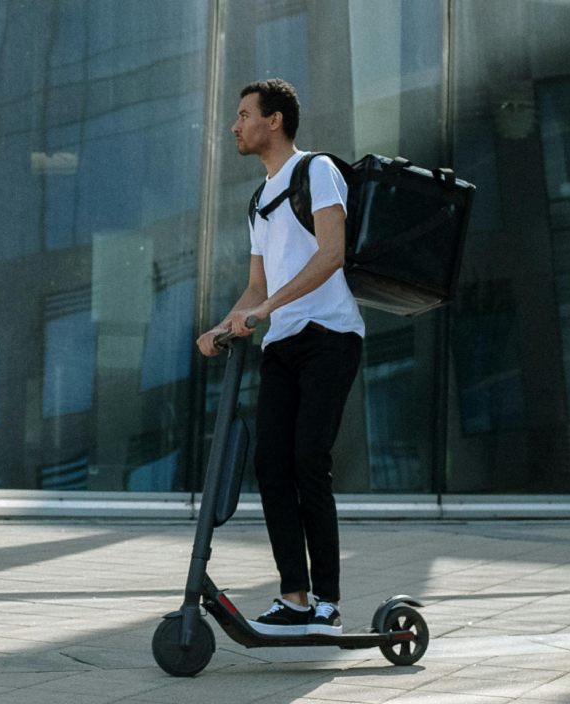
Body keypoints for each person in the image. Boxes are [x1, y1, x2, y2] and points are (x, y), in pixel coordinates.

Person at [196, 78, 364, 637]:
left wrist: (265, 308)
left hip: (330, 337)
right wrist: (222, 327)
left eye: (244, 114)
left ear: (274, 120)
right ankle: (294, 596)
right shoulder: (258, 200)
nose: (234, 124)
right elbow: (255, 286)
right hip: (284, 344)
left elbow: (331, 254)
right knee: (270, 465)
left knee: (308, 460)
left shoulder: (316, 171)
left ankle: (328, 605)